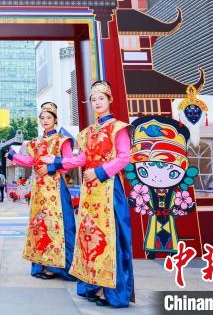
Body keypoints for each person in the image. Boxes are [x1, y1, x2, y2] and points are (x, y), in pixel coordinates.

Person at [59, 81, 134, 308]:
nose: (97, 102)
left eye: (101, 98)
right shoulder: (86, 133)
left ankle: (111, 290)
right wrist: (55, 163)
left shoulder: (119, 128)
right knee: (90, 238)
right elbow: (80, 159)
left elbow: (124, 157)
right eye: (93, 99)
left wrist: (99, 171)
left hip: (109, 188)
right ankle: (93, 284)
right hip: (90, 192)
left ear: (110, 100)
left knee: (110, 239)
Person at [7, 101, 77, 281]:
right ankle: (43, 265)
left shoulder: (62, 140)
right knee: (41, 226)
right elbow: (30, 161)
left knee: (60, 225)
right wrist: (13, 155)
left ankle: (61, 267)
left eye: (49, 117)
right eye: (42, 117)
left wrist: (51, 167)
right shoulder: (35, 143)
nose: (45, 120)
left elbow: (70, 162)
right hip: (39, 190)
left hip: (56, 188)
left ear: (55, 120)